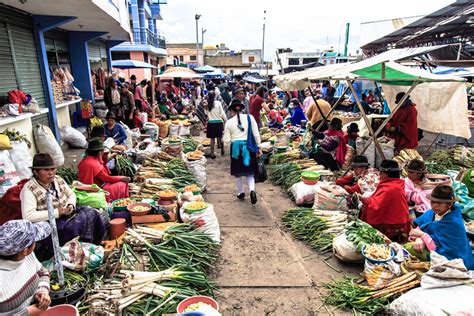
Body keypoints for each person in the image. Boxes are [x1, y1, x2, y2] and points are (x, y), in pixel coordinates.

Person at [20, 153, 105, 258]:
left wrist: (70, 205)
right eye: (46, 170)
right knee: (73, 228)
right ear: (36, 172)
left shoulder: (58, 179)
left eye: (53, 169)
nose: (51, 173)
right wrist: (56, 213)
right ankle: (76, 252)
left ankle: (92, 243)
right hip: (49, 222)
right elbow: (28, 216)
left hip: (67, 214)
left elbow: (71, 194)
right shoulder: (29, 189)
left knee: (91, 212)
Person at [410, 185, 473, 269]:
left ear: (449, 204)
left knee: (411, 250)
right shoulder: (433, 213)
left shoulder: (453, 223)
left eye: (439, 203)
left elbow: (444, 250)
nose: (434, 205)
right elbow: (418, 227)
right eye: (432, 202)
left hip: (454, 260)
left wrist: (422, 236)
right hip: (429, 246)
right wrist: (419, 238)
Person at [0, 220, 52, 315]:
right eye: (34, 240)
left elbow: (42, 273)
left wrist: (42, 291)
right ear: (25, 250)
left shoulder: (29, 256)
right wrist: (27, 312)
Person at [360, 159, 410, 243]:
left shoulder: (391, 188)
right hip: (399, 221)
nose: (379, 176)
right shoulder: (395, 185)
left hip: (393, 224)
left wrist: (363, 199)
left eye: (381, 173)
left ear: (385, 174)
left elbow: (376, 206)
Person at [223, 99, 261, 205]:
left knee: (238, 173)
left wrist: (232, 146)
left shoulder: (229, 123)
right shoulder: (250, 118)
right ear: (242, 109)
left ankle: (241, 192)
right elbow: (256, 134)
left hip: (235, 148)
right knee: (250, 172)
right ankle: (252, 190)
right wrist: (258, 147)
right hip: (248, 148)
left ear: (231, 111)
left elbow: (226, 140)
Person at [78, 138, 130, 202]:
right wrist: (121, 178)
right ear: (99, 152)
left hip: (84, 187)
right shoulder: (94, 164)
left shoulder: (85, 160)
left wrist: (110, 153)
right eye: (103, 150)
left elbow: (103, 161)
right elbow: (107, 178)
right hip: (94, 191)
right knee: (122, 184)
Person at [204, 91, 227, 159]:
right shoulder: (218, 103)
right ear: (214, 96)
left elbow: (206, 113)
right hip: (219, 122)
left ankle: (212, 154)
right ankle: (222, 150)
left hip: (211, 123)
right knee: (220, 137)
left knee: (212, 139)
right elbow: (222, 112)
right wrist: (226, 120)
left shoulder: (206, 104)